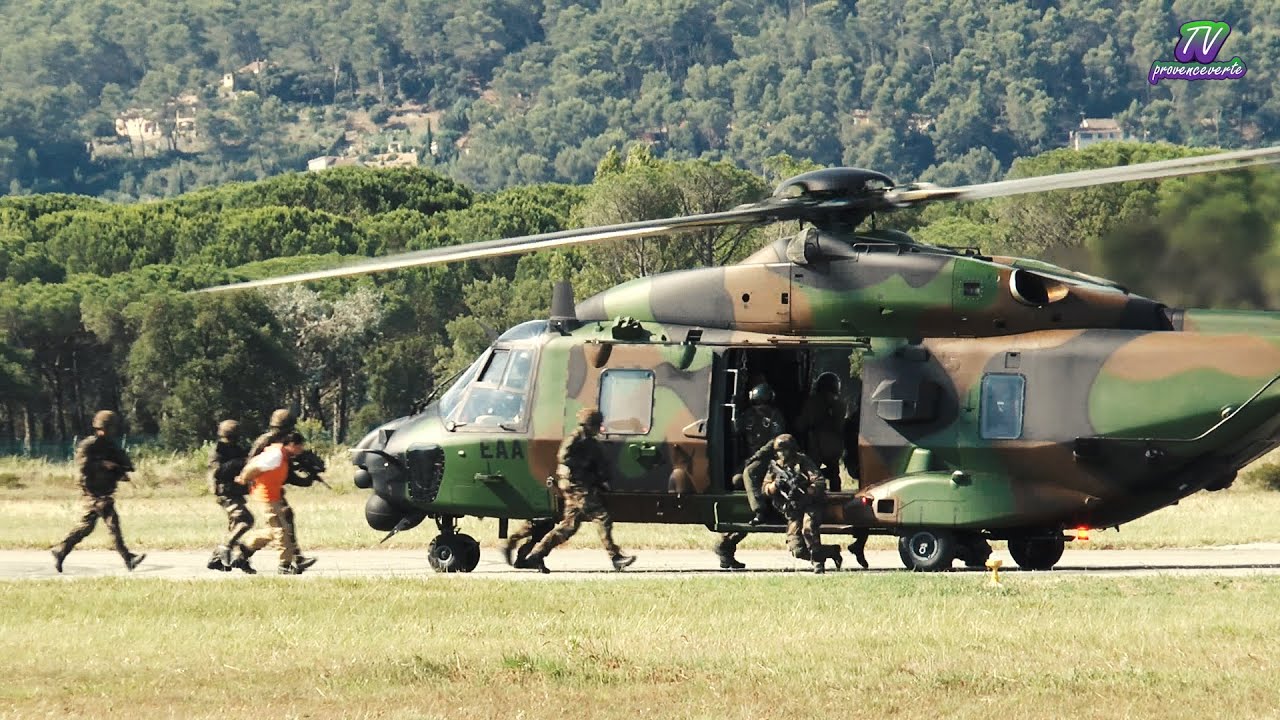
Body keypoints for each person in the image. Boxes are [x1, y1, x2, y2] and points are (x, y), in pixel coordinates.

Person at [517, 408, 636, 573]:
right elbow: (563, 457)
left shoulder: (590, 441)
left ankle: (536, 556)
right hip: (577, 486)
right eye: (597, 425)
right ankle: (615, 557)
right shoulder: (576, 438)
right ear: (589, 424)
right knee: (602, 517)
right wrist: (583, 468)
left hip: (581, 486)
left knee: (568, 527)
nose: (599, 428)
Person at [51, 411, 145, 573]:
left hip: (105, 489)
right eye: (109, 427)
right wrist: (104, 464)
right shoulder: (89, 445)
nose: (109, 431)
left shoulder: (111, 446)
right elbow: (83, 466)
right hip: (93, 491)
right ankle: (128, 558)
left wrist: (119, 469)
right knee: (112, 523)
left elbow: (126, 464)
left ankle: (61, 550)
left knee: (87, 526)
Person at [235, 431, 316, 574]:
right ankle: (285, 565)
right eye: (299, 447)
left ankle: (244, 550)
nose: (301, 450)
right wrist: (244, 478)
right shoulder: (276, 455)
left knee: (274, 531)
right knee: (281, 529)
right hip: (266, 496)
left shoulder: (280, 454)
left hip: (271, 495)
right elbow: (253, 467)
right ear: (292, 445)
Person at [762, 434, 842, 574]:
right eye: (779, 451)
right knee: (797, 549)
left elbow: (819, 481)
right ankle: (831, 551)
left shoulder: (803, 461)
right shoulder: (776, 466)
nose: (782, 454)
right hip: (793, 508)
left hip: (810, 504)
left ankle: (818, 562)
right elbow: (765, 488)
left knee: (808, 528)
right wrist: (776, 485)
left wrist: (805, 489)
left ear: (792, 449)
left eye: (785, 450)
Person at [249, 408, 314, 572]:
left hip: (273, 488)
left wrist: (306, 474)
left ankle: (243, 552)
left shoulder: (285, 441)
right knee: (280, 525)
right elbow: (252, 464)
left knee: (278, 525)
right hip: (264, 489)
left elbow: (288, 469)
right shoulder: (266, 441)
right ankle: (292, 559)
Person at [206, 419, 255, 573]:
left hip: (233, 492)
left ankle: (219, 560)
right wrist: (240, 462)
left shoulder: (235, 449)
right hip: (225, 493)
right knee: (245, 520)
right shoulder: (219, 451)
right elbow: (219, 472)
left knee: (235, 527)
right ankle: (224, 548)